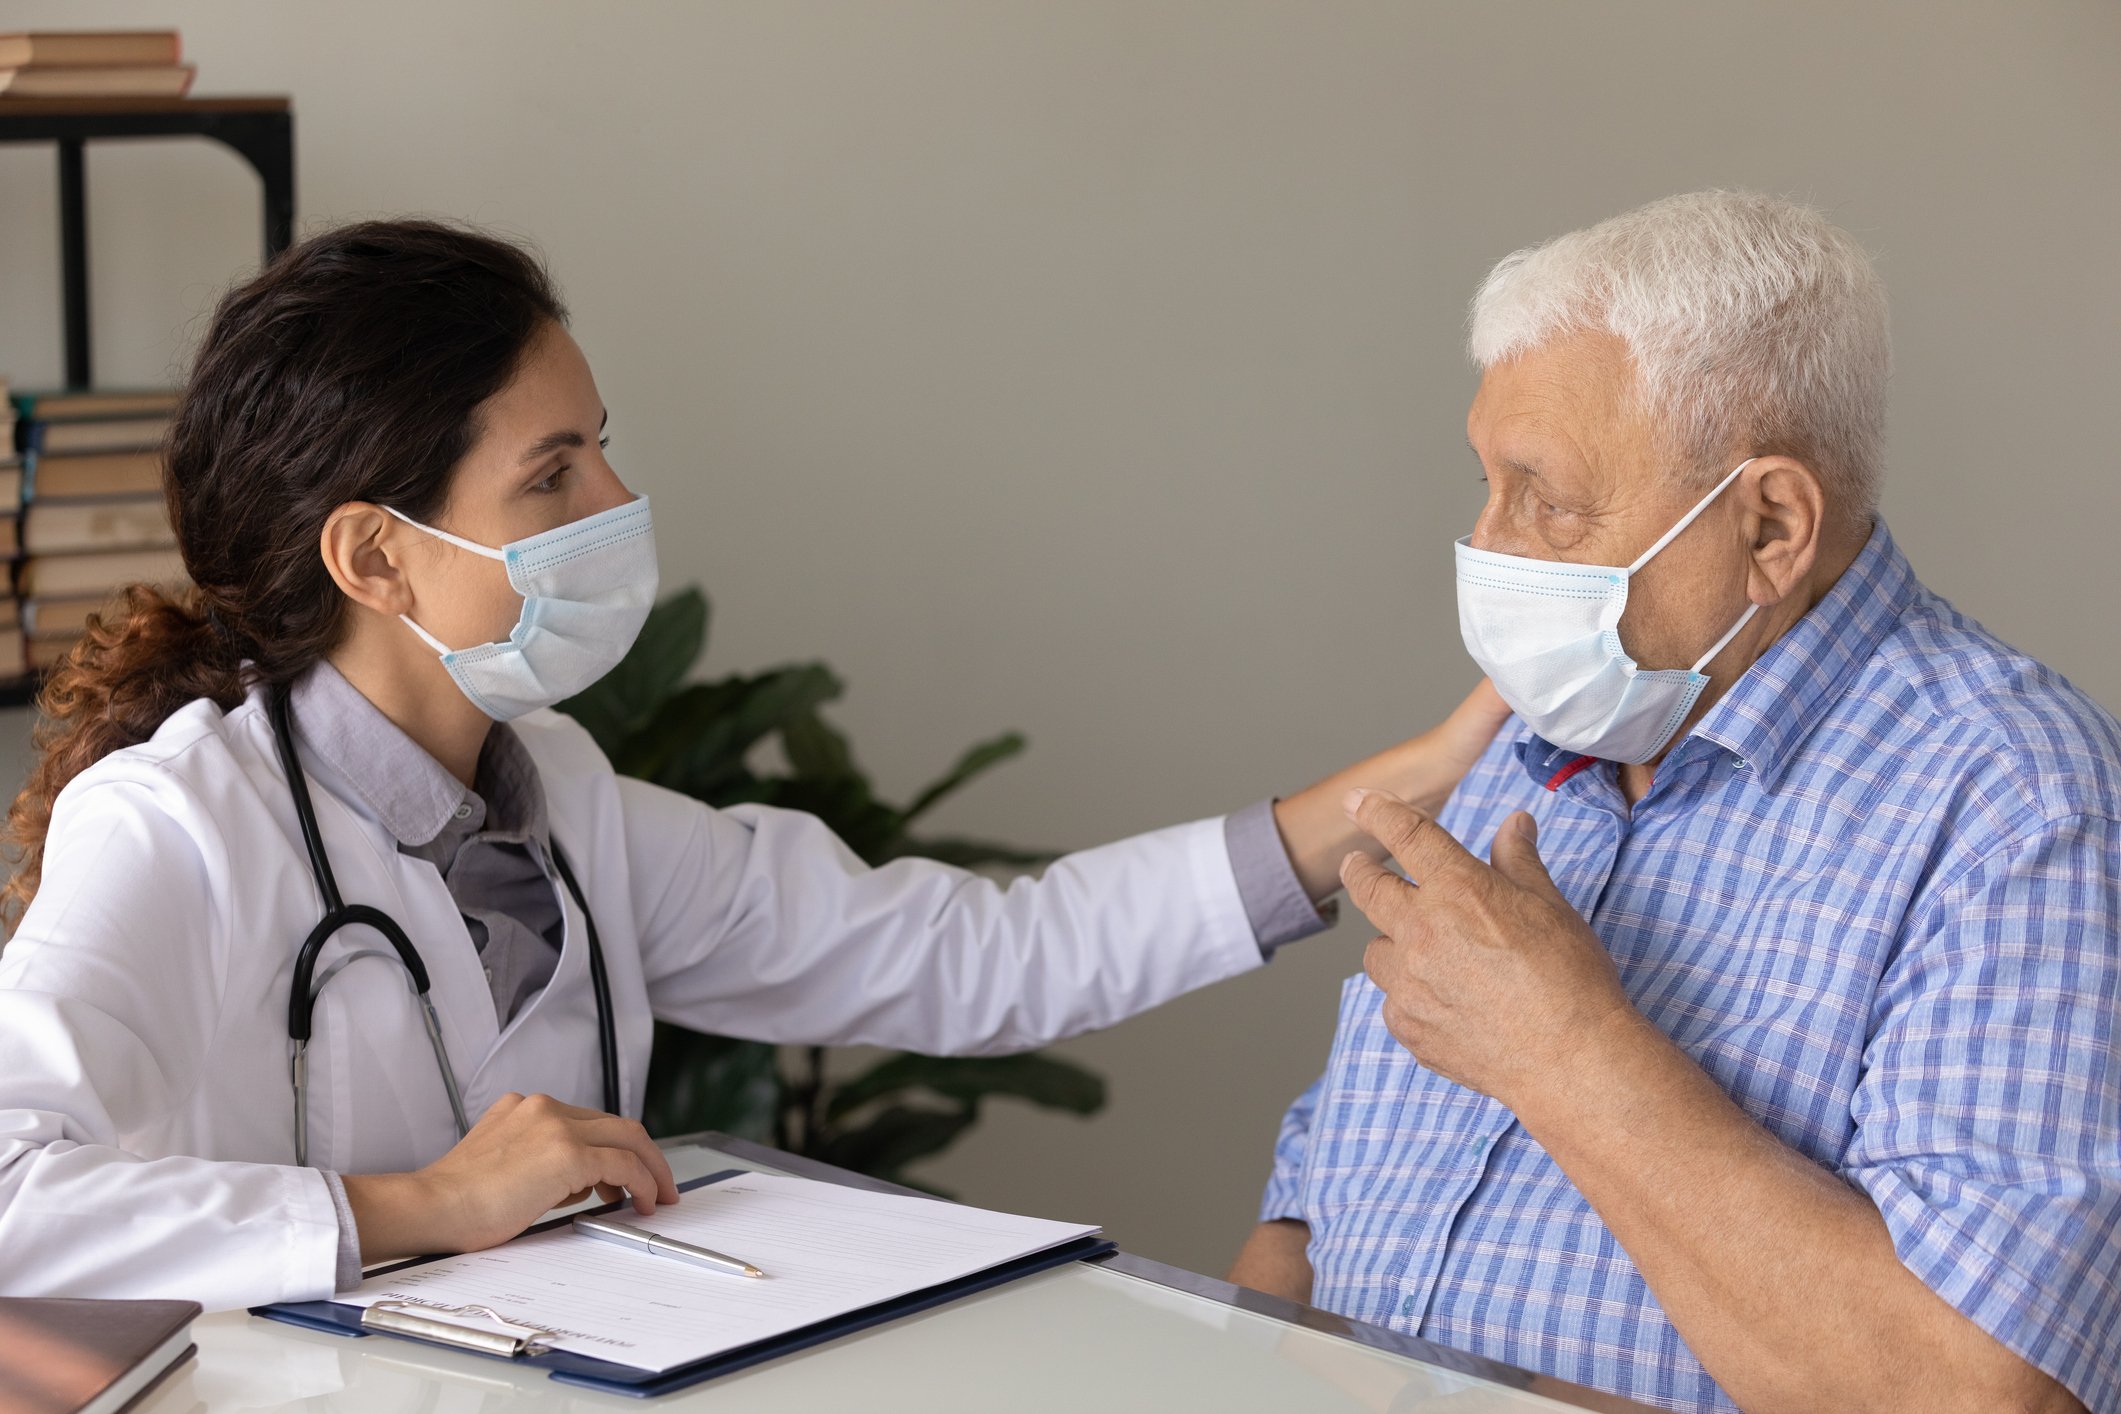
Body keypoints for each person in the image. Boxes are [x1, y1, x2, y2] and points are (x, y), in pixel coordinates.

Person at [0, 219, 1506, 1311]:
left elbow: (977, 956)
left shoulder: (563, 799)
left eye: (600, 445)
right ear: (378, 554)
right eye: (553, 473)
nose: (618, 497)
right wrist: (421, 1206)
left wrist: (1383, 802)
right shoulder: (181, 823)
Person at [1229, 191, 2119, 1414]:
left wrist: (1563, 1052)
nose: (1490, 550)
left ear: (1769, 527)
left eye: (1548, 502)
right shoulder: (1553, 725)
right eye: (1486, 484)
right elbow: (1310, 1192)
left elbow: (1978, 1393)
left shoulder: (2016, 803)